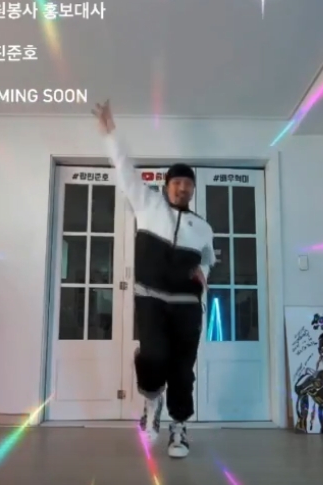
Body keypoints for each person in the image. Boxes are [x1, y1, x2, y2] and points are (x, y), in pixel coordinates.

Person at [92, 100, 215, 458]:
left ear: (193, 189)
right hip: (151, 298)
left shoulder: (203, 228)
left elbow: (208, 260)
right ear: (166, 185)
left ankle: (179, 428)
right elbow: (124, 168)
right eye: (177, 182)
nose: (182, 188)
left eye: (188, 184)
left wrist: (204, 272)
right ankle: (151, 403)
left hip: (187, 306)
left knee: (182, 370)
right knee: (153, 357)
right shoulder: (147, 205)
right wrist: (110, 133)